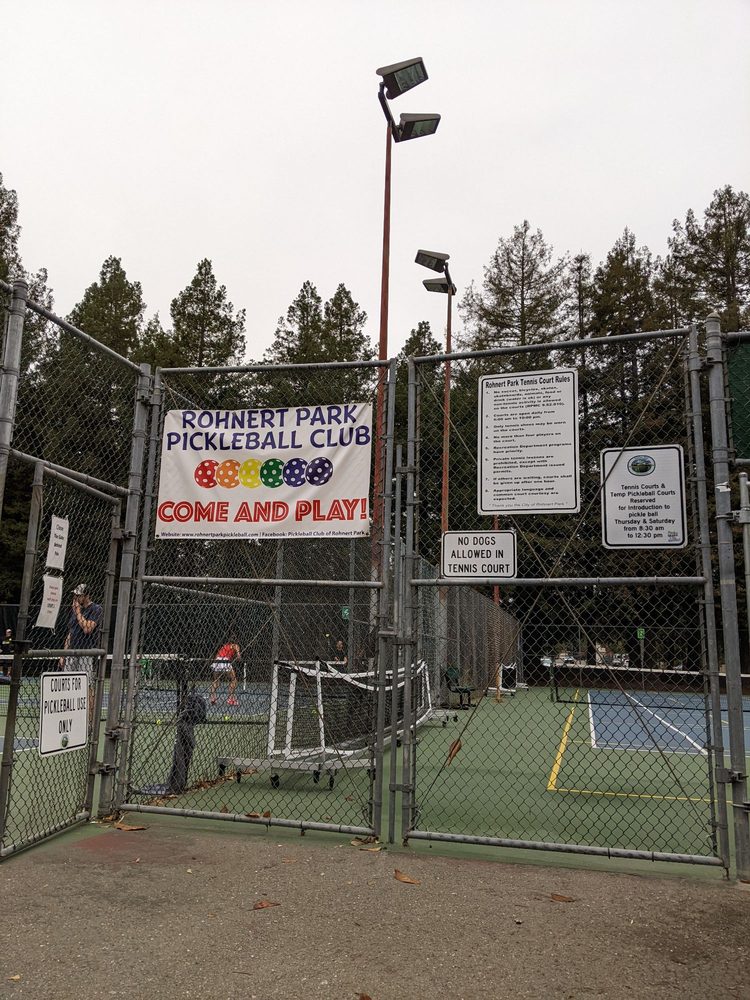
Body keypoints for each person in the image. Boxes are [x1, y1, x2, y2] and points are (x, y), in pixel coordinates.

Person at [59, 583, 103, 727]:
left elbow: (87, 629)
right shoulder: (73, 611)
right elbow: (70, 633)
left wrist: (78, 612)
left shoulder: (96, 609)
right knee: (67, 685)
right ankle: (68, 718)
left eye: (79, 595)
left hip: (86, 654)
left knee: (87, 686)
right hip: (71, 653)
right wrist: (63, 654)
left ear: (86, 595)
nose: (76, 597)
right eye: (75, 595)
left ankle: (89, 722)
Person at [209, 638, 241, 706]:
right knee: (234, 680)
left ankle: (212, 698)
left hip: (217, 660)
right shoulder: (235, 645)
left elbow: (219, 655)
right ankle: (230, 699)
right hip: (225, 661)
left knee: (216, 680)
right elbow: (238, 656)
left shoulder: (224, 646)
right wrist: (239, 656)